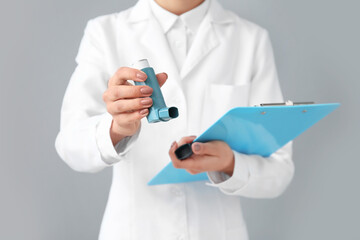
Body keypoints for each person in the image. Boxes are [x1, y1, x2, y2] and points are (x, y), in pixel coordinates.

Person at [55, 0, 294, 239]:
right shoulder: (106, 32)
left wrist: (229, 164)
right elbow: (70, 146)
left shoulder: (250, 39)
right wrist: (117, 129)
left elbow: (279, 172)